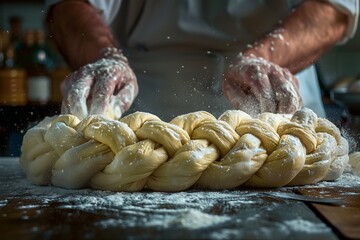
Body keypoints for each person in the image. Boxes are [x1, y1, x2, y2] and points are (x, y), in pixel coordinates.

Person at [45, 0, 358, 121]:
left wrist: (262, 58)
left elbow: (331, 11)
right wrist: (105, 58)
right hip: (135, 127)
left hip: (275, 117)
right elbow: (69, 7)